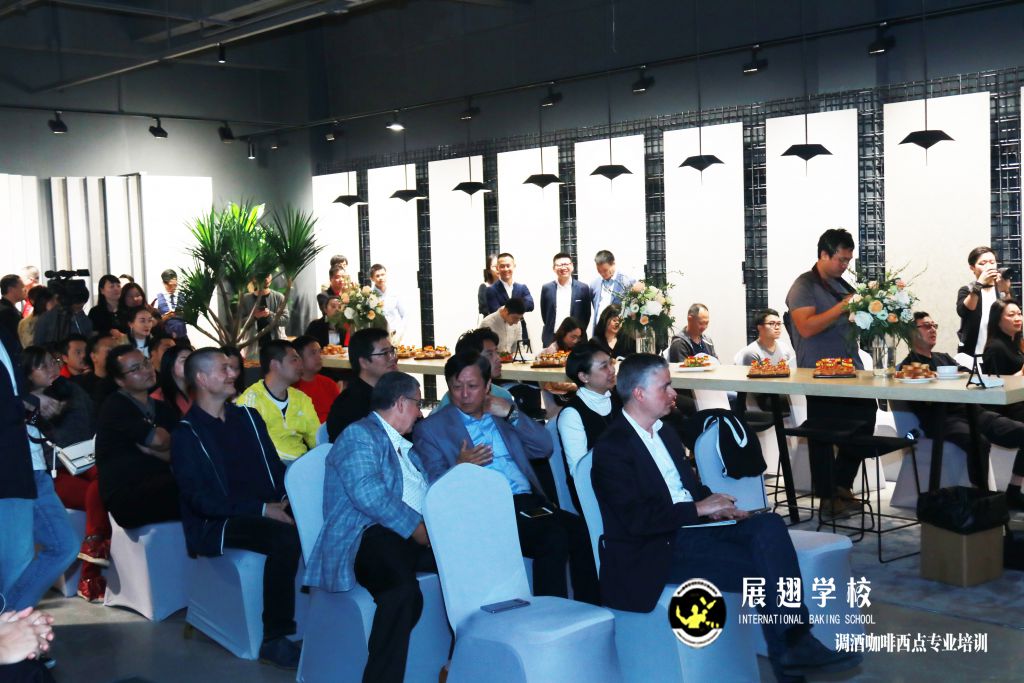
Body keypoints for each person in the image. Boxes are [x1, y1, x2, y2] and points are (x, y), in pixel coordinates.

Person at [591, 354, 862, 681]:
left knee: (768, 525)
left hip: (693, 531)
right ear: (639, 393)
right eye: (665, 387)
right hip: (654, 549)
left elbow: (688, 489)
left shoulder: (665, 434)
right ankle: (795, 647)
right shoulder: (613, 448)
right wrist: (698, 508)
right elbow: (637, 520)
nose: (674, 393)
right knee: (767, 566)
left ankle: (795, 645)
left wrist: (715, 505)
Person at [414, 351, 599, 604]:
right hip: (486, 509)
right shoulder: (432, 428)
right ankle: (550, 613)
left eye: (472, 386)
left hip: (526, 502)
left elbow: (544, 447)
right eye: (457, 387)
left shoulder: (501, 414)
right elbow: (435, 485)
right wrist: (460, 468)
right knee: (552, 538)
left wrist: (512, 413)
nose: (464, 394)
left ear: (488, 385)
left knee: (580, 530)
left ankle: (588, 607)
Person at [172, 348, 301, 669]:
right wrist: (262, 509)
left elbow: (275, 468)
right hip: (217, 522)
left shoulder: (248, 417)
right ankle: (274, 637)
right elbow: (201, 500)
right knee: (284, 538)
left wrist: (288, 499)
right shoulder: (187, 433)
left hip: (263, 507)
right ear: (202, 379)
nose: (234, 374)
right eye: (224, 369)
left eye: (232, 368)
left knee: (316, 518)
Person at [306, 372, 433, 683]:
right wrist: (416, 528)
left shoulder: (402, 443)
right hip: (365, 535)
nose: (420, 413)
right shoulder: (359, 435)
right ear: (401, 403)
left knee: (467, 563)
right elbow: (368, 493)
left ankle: (457, 664)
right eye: (417, 404)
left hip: (406, 535)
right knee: (402, 594)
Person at [785, 228, 875, 519]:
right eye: (841, 259)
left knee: (866, 419)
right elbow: (806, 327)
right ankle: (826, 496)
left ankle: (841, 485)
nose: (845, 265)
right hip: (819, 371)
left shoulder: (842, 284)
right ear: (824, 254)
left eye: (848, 260)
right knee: (822, 433)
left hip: (851, 368)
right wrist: (842, 307)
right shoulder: (804, 286)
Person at [902, 311, 1024, 507]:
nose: (932, 329)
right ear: (911, 332)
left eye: (934, 325)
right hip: (942, 419)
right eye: (926, 326)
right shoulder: (908, 366)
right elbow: (920, 401)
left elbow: (970, 376)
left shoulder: (943, 358)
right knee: (978, 442)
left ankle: (1014, 491)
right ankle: (981, 499)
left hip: (973, 412)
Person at [0, 333, 80, 615]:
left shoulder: (6, 337)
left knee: (64, 546)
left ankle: (14, 620)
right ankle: (13, 630)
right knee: (15, 563)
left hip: (30, 468)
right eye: (43, 365)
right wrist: (27, 401)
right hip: (9, 471)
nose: (51, 369)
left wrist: (32, 403)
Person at [21, 346, 108, 602]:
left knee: (106, 483)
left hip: (86, 458)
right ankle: (90, 572)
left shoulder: (72, 391)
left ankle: (91, 562)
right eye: (43, 365)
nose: (52, 368)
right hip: (53, 471)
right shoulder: (19, 403)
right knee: (98, 494)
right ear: (27, 372)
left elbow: (93, 423)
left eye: (54, 362)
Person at [95, 346, 180, 529]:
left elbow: (179, 452)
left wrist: (154, 452)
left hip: (161, 482)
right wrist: (161, 446)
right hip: (127, 494)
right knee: (196, 490)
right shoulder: (115, 406)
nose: (147, 370)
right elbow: (160, 440)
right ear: (119, 380)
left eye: (146, 363)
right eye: (135, 369)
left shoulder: (162, 408)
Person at [556, 341, 620, 510]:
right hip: (595, 494)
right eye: (604, 366)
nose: (612, 370)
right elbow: (580, 472)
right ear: (584, 377)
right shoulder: (572, 415)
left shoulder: (619, 398)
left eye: (611, 363)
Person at [235, 340, 318, 462]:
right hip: (268, 464)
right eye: (294, 360)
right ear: (274, 365)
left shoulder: (301, 399)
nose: (301, 364)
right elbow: (248, 446)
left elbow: (317, 439)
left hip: (301, 464)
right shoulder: (251, 401)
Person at [325, 328, 397, 441]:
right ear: (364, 362)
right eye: (384, 353)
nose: (393, 357)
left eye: (392, 351)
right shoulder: (349, 406)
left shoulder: (393, 391)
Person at [436, 328, 516, 408]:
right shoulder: (450, 402)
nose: (498, 358)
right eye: (490, 354)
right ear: (470, 360)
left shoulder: (504, 396)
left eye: (496, 352)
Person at [956, 246, 1012, 358]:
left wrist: (1006, 291)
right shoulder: (967, 290)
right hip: (973, 355)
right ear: (972, 268)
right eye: (983, 263)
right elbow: (964, 311)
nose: (989, 266)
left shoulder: (1001, 290)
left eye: (992, 262)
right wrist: (979, 283)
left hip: (1001, 354)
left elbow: (1012, 317)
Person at [540, 253, 593, 347]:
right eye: (559, 265)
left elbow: (586, 315)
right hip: (552, 338)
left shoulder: (583, 288)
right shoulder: (547, 288)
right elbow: (545, 315)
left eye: (566, 264)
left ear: (572, 266)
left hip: (577, 339)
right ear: (554, 268)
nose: (563, 267)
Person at [485, 253, 535, 345]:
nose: (505, 269)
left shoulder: (522, 287)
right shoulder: (491, 290)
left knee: (522, 353)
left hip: (521, 331)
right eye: (502, 266)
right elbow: (495, 310)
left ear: (514, 266)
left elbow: (530, 305)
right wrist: (519, 306)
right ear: (497, 268)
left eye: (508, 266)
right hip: (500, 331)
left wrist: (509, 308)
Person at [292, 336, 340, 424]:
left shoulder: (329, 384)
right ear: (298, 358)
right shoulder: (291, 387)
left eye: (319, 352)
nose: (319, 357)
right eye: (313, 353)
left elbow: (340, 414)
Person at [589, 250, 636, 333]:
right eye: (599, 271)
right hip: (599, 332)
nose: (602, 274)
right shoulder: (594, 285)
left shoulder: (627, 282)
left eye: (605, 270)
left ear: (613, 264)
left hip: (619, 332)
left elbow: (633, 309)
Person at [70, 333, 117, 414]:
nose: (116, 355)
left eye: (117, 350)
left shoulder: (125, 381)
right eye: (109, 351)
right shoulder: (79, 386)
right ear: (94, 357)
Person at [241, 274, 289, 353]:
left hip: (276, 346)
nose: (266, 279)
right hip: (252, 348)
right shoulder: (245, 299)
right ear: (254, 278)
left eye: (268, 275)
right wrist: (254, 317)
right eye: (264, 275)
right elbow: (240, 324)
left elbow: (285, 320)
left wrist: (269, 314)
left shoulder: (279, 297)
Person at [982, 299, 1024, 379]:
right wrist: (1022, 373)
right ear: (997, 320)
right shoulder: (995, 347)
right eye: (1011, 315)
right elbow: (993, 383)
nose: (1018, 319)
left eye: (1019, 314)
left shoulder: (1016, 343)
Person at [151, 345, 192, 420]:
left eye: (193, 360)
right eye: (184, 360)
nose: (192, 364)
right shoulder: (157, 398)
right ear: (170, 365)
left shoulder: (199, 391)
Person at [370, 264, 407, 342]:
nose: (381, 278)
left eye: (383, 274)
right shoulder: (369, 295)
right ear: (372, 278)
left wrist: (400, 331)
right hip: (377, 337)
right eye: (377, 276)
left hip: (394, 335)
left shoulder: (394, 293)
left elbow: (404, 314)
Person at [153, 268, 187, 339]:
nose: (173, 288)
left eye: (175, 285)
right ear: (164, 283)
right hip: (165, 337)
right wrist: (165, 317)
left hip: (182, 336)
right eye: (170, 285)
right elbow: (154, 322)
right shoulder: (157, 299)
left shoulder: (183, 296)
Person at [0, 274, 25, 341]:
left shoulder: (6, 308)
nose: (25, 290)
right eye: (22, 287)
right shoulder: (7, 312)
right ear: (11, 289)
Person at [478, 253, 498, 318]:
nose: (498, 268)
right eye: (495, 266)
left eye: (500, 265)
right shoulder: (484, 287)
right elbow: (484, 310)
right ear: (489, 270)